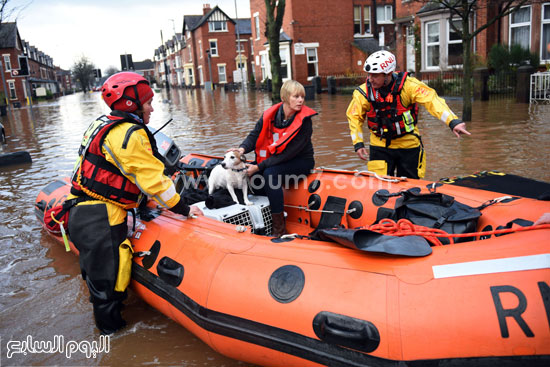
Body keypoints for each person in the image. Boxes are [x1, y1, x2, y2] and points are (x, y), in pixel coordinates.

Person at [67, 72, 202, 334]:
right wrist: (184, 209)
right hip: (101, 218)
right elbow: (153, 180)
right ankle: (114, 342)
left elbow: (114, 171)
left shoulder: (103, 124)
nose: (152, 107)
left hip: (83, 211)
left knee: (103, 284)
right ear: (132, 104)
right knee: (109, 288)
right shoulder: (129, 134)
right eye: (148, 102)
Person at [346, 50, 471, 179]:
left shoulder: (409, 86)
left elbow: (432, 101)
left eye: (375, 75)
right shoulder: (363, 93)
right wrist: (358, 143)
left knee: (411, 187)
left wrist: (453, 121)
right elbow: (354, 117)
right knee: (379, 187)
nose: (370, 79)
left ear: (388, 74)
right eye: (369, 75)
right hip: (380, 145)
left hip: (408, 144)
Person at [231, 80, 317, 237]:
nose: (301, 100)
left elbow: (287, 154)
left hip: (300, 161)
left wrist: (259, 166)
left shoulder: (305, 122)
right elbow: (255, 135)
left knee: (270, 174)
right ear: (284, 98)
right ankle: (261, 218)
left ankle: (279, 228)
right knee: (253, 177)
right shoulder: (270, 116)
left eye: (302, 97)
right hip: (277, 159)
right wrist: (241, 148)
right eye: (296, 96)